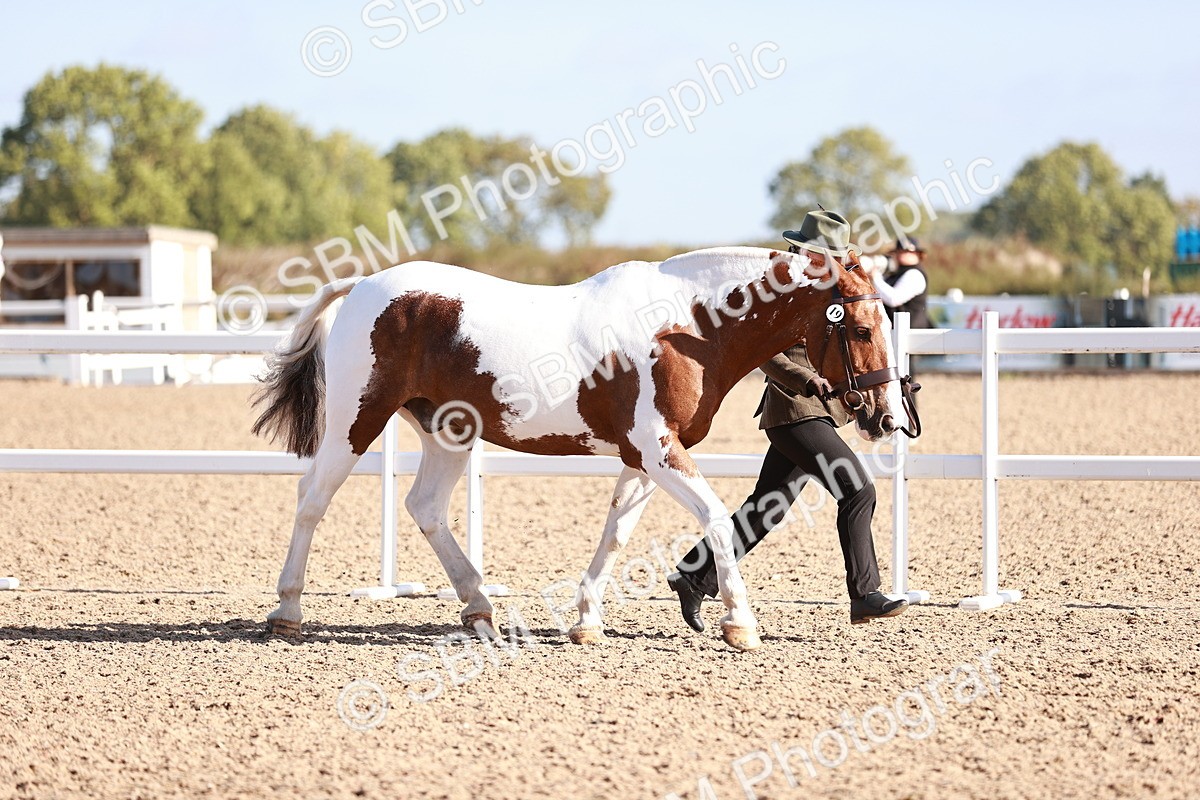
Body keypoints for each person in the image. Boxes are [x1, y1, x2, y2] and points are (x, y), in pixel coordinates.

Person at [665, 209, 908, 631]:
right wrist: (808, 379)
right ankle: (865, 595)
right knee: (858, 490)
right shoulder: (780, 291)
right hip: (796, 410)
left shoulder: (832, 291)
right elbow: (765, 354)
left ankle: (694, 574)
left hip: (820, 412)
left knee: (766, 508)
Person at [872, 236, 931, 328]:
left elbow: (893, 299)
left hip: (913, 334)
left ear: (918, 254)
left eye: (908, 251)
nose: (904, 254)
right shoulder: (894, 274)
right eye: (901, 251)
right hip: (897, 331)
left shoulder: (915, 274)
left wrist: (875, 277)